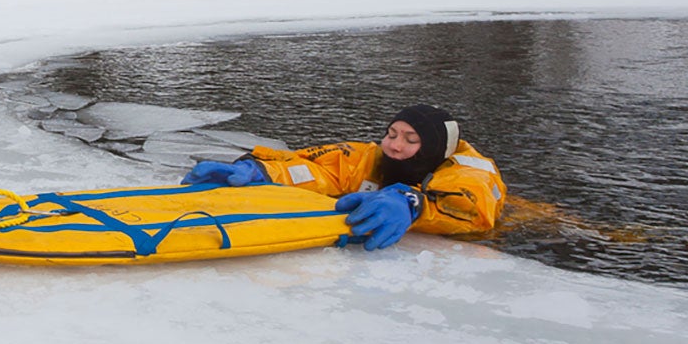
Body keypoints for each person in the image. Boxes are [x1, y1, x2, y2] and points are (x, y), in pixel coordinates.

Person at [182, 104, 504, 249]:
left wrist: (413, 204)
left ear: (433, 147)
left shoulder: (469, 170)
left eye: (410, 139)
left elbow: (473, 206)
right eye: (391, 133)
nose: (393, 145)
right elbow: (319, 170)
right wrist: (260, 170)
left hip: (516, 223)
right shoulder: (369, 158)